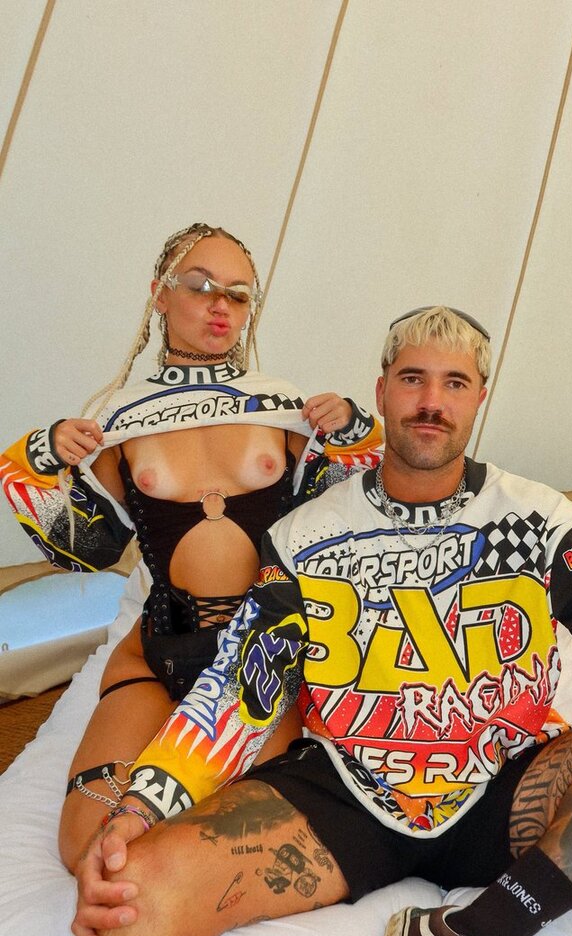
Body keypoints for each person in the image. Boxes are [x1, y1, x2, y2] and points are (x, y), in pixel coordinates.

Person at [70, 306, 572, 936]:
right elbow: (242, 690)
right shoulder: (306, 536)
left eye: (455, 383)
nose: (431, 401)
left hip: (508, 781)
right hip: (345, 788)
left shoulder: (540, 518)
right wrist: (139, 808)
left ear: (479, 398)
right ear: (381, 392)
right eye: (413, 379)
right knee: (135, 898)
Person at [0, 222, 382, 871]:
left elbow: (359, 522)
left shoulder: (284, 407)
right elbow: (87, 550)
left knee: (256, 837)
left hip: (263, 658)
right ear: (159, 294)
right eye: (200, 286)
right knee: (85, 844)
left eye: (238, 293)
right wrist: (40, 459)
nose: (219, 306)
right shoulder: (117, 418)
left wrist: (353, 434)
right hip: (157, 653)